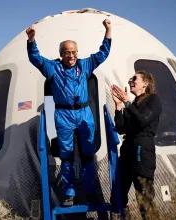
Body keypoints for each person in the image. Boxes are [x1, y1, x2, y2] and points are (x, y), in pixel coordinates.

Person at [26, 19, 112, 207]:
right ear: (61, 54)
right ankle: (69, 194)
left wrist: (108, 30)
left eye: (73, 52)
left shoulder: (85, 65)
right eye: (67, 52)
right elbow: (36, 59)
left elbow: (103, 53)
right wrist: (31, 40)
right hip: (64, 116)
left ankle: (90, 190)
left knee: (88, 154)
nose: (71, 56)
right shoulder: (54, 68)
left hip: (84, 114)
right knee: (66, 157)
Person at [111, 70, 162, 219]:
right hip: (127, 150)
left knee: (144, 199)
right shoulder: (133, 104)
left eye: (134, 79)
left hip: (142, 150)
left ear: (145, 84)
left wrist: (127, 103)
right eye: (130, 79)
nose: (130, 81)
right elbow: (121, 128)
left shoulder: (153, 100)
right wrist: (119, 106)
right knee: (117, 196)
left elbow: (143, 121)